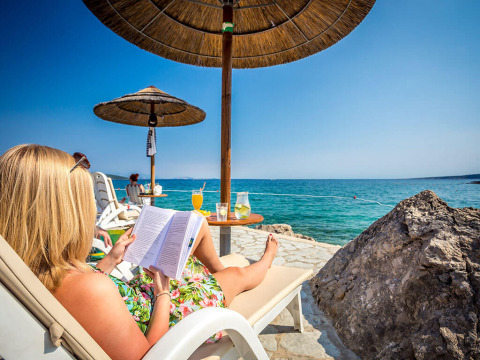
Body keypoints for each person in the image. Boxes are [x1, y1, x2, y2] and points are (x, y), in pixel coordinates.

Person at [0, 144, 278, 360]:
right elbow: (152, 354)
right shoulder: (90, 289)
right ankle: (266, 260)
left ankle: (212, 268)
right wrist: (163, 293)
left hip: (135, 299)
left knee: (197, 230)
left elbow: (79, 298)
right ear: (66, 217)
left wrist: (107, 264)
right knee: (235, 275)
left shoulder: (23, 273)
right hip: (164, 314)